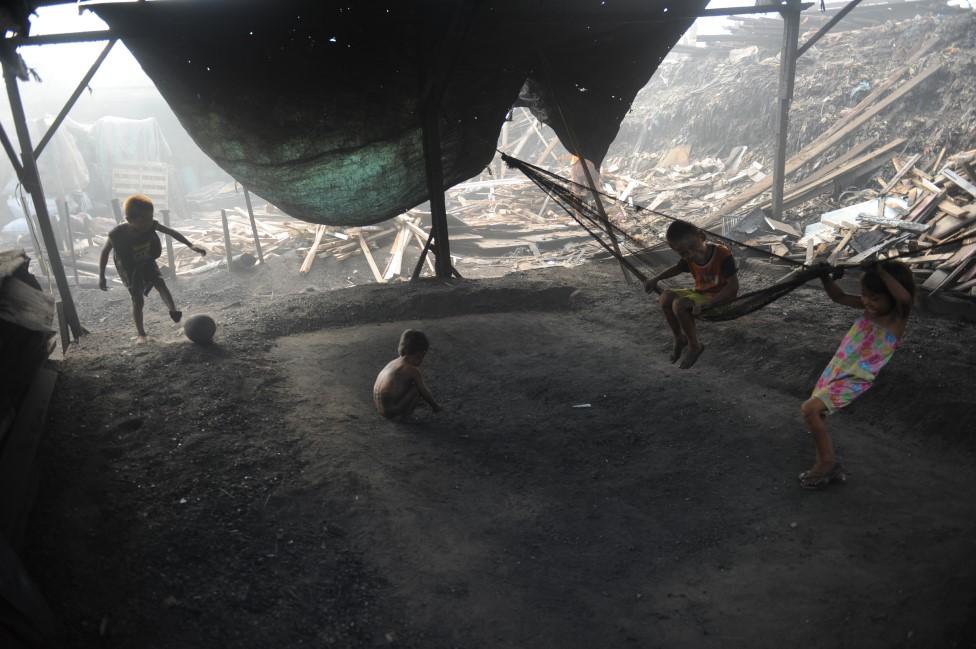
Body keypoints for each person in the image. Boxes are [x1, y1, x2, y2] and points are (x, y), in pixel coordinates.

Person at [798, 261, 915, 490]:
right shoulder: (867, 309)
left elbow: (905, 299)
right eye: (864, 295)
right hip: (837, 369)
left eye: (875, 298)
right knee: (816, 413)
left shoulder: (896, 318)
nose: (867, 302)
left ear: (891, 296)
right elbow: (839, 297)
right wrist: (824, 277)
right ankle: (827, 462)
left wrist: (880, 270)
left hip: (857, 377)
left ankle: (827, 463)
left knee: (809, 409)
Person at [98, 194, 206, 343]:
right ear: (130, 220)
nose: (149, 223)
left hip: (147, 261)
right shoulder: (117, 234)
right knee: (137, 300)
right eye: (144, 221)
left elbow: (172, 232)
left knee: (160, 283)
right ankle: (141, 334)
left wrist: (191, 245)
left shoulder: (151, 225)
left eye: (150, 218)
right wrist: (101, 276)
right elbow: (104, 253)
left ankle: (173, 310)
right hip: (129, 268)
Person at [643, 220, 739, 369]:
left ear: (702, 236)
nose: (691, 254)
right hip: (700, 295)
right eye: (683, 253)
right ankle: (679, 338)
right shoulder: (689, 257)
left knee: (679, 304)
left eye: (693, 248)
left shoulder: (722, 254)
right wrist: (656, 279)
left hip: (721, 299)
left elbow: (733, 287)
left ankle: (695, 346)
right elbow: (677, 268)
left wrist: (709, 303)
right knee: (665, 297)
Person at [373, 329, 441, 420]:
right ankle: (404, 417)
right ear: (420, 354)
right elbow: (424, 392)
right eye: (421, 356)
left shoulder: (393, 362)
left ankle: (399, 410)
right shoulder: (411, 369)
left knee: (408, 384)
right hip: (391, 412)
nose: (421, 360)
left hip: (381, 409)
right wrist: (435, 406)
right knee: (417, 389)